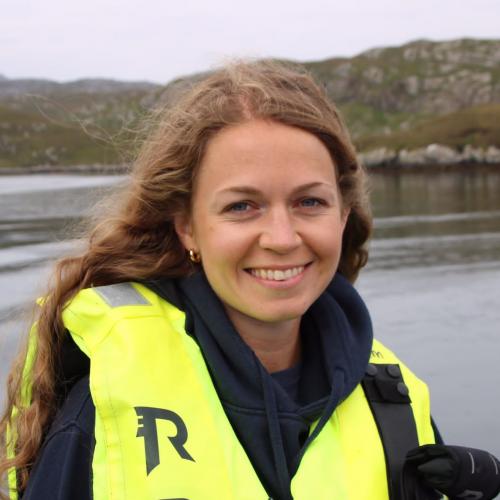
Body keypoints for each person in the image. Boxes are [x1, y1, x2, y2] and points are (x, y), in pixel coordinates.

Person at [0, 61, 439, 500]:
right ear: (187, 227)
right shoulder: (102, 415)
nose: (282, 239)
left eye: (309, 201)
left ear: (343, 215)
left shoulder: (392, 401)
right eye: (242, 206)